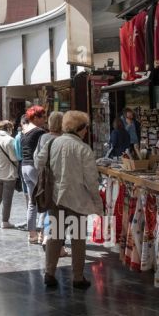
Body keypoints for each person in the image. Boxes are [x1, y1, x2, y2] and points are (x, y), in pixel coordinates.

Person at [34, 111, 103, 289]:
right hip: (78, 200)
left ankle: (49, 273)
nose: (87, 131)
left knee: (55, 236)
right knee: (78, 239)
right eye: (86, 128)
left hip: (56, 198)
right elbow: (91, 180)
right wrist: (97, 203)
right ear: (80, 129)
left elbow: (38, 162)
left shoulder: (52, 143)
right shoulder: (83, 149)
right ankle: (78, 277)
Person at [36, 112, 69, 258]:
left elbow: (36, 158)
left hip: (46, 179)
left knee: (51, 210)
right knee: (61, 215)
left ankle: (45, 237)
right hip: (61, 180)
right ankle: (58, 246)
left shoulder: (43, 137)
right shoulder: (64, 140)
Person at [17, 106, 47, 242]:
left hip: (24, 167)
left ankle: (32, 234)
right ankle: (42, 233)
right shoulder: (39, 132)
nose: (44, 119)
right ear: (35, 117)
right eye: (42, 117)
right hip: (34, 167)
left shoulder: (23, 132)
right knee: (44, 200)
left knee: (32, 202)